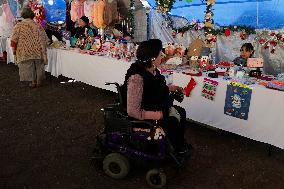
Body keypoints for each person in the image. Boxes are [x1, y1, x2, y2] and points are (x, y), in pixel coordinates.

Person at [123, 39, 189, 155]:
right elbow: (132, 111)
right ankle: (170, 150)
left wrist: (173, 87)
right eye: (160, 54)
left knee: (181, 112)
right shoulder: (136, 78)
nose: (162, 56)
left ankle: (177, 144)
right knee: (172, 121)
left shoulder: (152, 70)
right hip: (144, 114)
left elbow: (154, 88)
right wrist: (159, 115)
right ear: (152, 59)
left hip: (155, 105)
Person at [11, 7, 49, 88]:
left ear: (23, 15)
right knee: (38, 65)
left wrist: (14, 51)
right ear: (32, 15)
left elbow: (14, 40)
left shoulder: (19, 25)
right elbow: (45, 38)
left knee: (29, 66)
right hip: (38, 50)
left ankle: (33, 82)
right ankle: (39, 81)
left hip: (25, 50)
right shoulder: (37, 25)